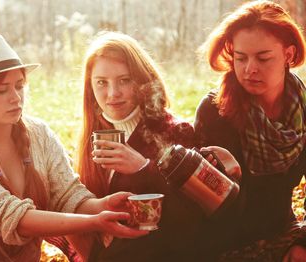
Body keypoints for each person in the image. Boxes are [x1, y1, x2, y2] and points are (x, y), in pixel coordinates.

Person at [0, 34, 149, 262]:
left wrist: (103, 205)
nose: (16, 97)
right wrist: (94, 222)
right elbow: (15, 219)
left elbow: (68, 195)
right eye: (2, 90)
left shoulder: (39, 134)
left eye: (19, 86)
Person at [48, 31, 239, 262]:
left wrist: (143, 168)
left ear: (142, 80)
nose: (112, 94)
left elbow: (195, 221)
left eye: (124, 80)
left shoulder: (175, 131)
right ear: (90, 88)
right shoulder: (92, 135)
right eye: (101, 82)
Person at [194, 1, 306, 260]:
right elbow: (203, 206)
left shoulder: (302, 109)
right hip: (222, 244)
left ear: (288, 55)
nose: (250, 69)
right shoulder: (215, 111)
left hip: (284, 233)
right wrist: (231, 178)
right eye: (240, 58)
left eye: (263, 58)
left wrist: (302, 242)